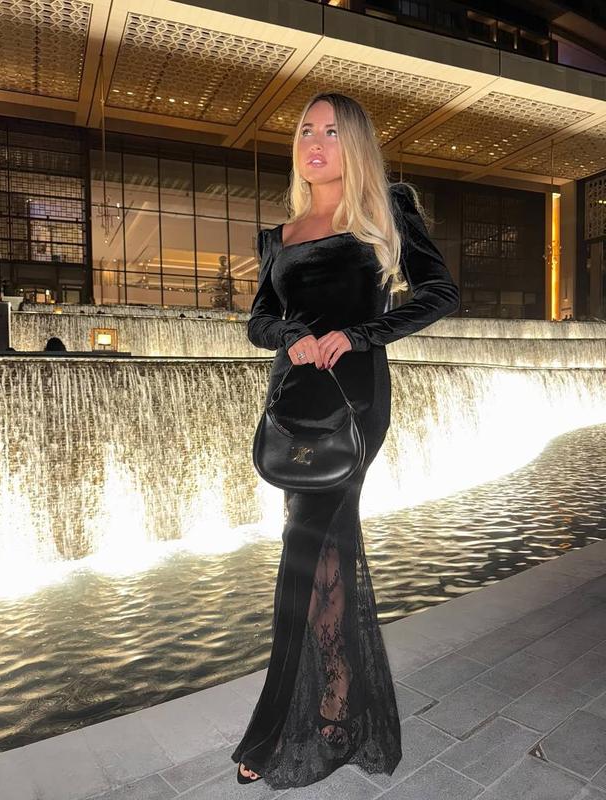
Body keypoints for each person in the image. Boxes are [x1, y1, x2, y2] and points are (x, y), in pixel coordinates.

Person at [232, 92, 460, 789]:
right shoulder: (280, 235)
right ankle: (337, 699)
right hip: (293, 404)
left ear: (354, 143)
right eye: (306, 130)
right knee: (323, 553)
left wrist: (358, 335)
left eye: (331, 131)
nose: (315, 141)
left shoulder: (385, 209)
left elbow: (439, 293)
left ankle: (275, 729)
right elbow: (259, 321)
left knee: (302, 559)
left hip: (354, 400)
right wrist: (291, 335)